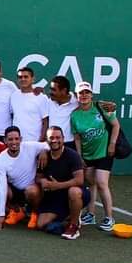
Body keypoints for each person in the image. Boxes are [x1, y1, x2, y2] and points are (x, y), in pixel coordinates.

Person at [72, 81, 120, 232]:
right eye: (81, 93)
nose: (84, 95)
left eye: (87, 92)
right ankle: (90, 214)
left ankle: (109, 218)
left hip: (105, 152)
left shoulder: (101, 108)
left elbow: (115, 125)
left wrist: (112, 143)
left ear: (91, 94)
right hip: (87, 154)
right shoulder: (75, 115)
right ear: (77, 96)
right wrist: (79, 156)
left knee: (101, 183)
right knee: (90, 183)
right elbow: (78, 137)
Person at [0, 126, 49, 230]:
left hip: (32, 189)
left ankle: (34, 213)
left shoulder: (30, 146)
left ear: (21, 139)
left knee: (31, 191)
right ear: (5, 140)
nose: (14, 142)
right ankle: (17, 211)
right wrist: (1, 215)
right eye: (10, 139)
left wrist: (44, 151)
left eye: (17, 139)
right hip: (16, 191)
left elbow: (48, 144)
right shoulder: (1, 160)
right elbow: (2, 187)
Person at [36, 126, 89, 240]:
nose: (54, 140)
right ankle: (70, 216)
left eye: (58, 137)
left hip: (77, 192)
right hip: (56, 196)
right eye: (51, 138)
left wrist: (57, 185)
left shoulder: (72, 155)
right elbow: (38, 177)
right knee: (41, 224)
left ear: (63, 139)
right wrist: (43, 181)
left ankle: (74, 227)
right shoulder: (43, 156)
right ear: (47, 140)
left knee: (73, 192)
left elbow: (79, 180)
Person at [10, 67, 50, 142]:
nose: (23, 79)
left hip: (35, 141)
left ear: (33, 79)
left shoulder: (41, 97)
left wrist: (41, 141)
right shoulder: (13, 95)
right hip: (17, 143)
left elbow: (45, 122)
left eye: (26, 77)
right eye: (20, 77)